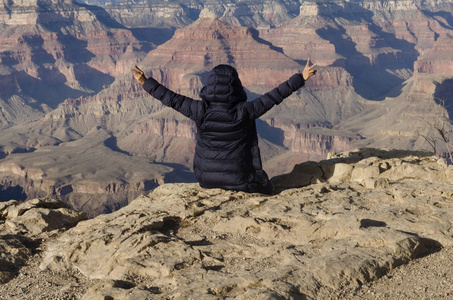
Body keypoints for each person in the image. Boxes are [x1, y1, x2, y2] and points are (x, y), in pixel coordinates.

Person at [131, 60, 317, 194]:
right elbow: (274, 96)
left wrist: (145, 82)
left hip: (206, 180)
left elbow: (171, 98)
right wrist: (301, 77)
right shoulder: (245, 111)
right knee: (266, 186)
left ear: (210, 85)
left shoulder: (199, 110)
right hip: (239, 180)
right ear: (236, 86)